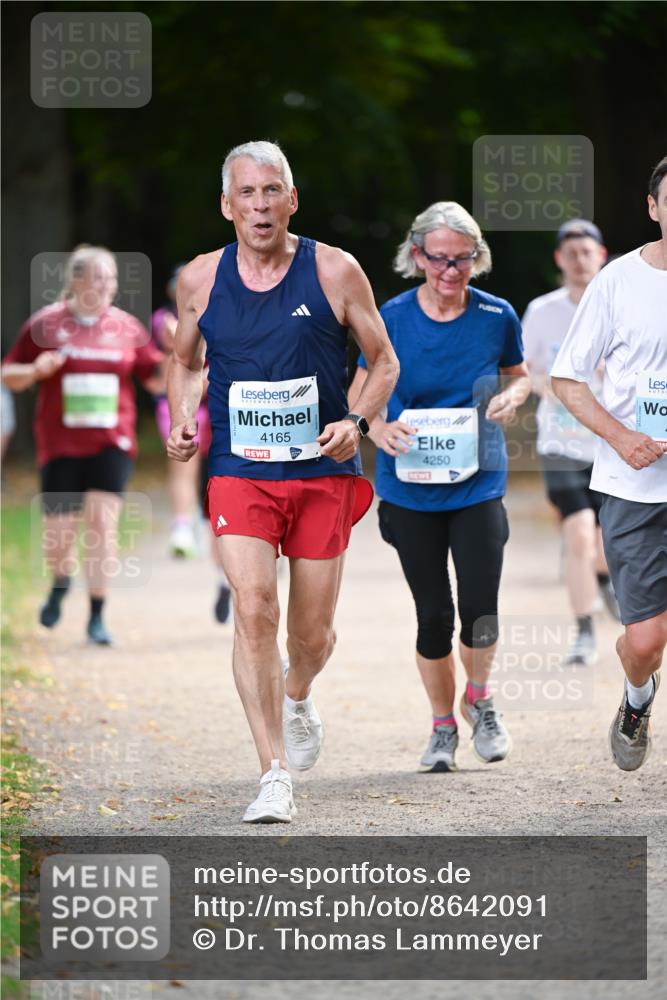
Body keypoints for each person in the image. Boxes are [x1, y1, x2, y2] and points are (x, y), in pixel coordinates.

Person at [167, 140, 398, 822]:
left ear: (291, 199)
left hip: (322, 472)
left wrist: (354, 420)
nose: (260, 205)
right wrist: (184, 416)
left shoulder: (333, 270)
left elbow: (383, 361)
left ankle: (297, 692)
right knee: (255, 606)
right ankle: (271, 771)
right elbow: (183, 362)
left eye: (272, 191)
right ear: (226, 205)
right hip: (239, 472)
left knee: (312, 633)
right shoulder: (201, 280)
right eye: (247, 193)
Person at [349, 201, 530, 774]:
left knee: (480, 609)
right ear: (416, 255)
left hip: (478, 484)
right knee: (434, 616)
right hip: (409, 490)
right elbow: (360, 386)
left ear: (477, 258)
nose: (451, 271)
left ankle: (479, 698)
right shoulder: (393, 317)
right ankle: (441, 726)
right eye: (440, 259)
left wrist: (511, 398)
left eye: (464, 259)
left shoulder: (497, 315)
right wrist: (376, 427)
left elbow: (521, 377)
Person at [552, 155, 667, 771]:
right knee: (645, 641)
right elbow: (567, 379)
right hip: (634, 484)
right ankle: (636, 696)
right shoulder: (618, 281)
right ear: (654, 208)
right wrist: (622, 437)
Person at [1, 244, 163, 645]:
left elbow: (154, 379)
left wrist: (187, 362)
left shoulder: (126, 328)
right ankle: (60, 582)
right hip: (60, 444)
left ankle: (97, 616)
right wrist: (36, 369)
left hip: (112, 441)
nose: (107, 286)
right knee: (59, 535)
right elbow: (9, 376)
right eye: (98, 277)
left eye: (111, 278)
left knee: (102, 525)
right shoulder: (46, 326)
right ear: (75, 281)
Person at [523, 219, 620, 667]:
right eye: (572, 253)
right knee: (579, 534)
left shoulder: (623, 305)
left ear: (601, 255)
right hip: (561, 443)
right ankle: (583, 632)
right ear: (560, 260)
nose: (581, 260)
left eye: (588, 252)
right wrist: (565, 385)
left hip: (613, 444)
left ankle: (604, 581)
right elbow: (521, 374)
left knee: (609, 540)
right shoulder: (543, 311)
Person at [152, 265, 231, 622]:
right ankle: (185, 528)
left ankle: (226, 581)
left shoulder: (229, 312)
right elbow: (176, 363)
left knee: (226, 501)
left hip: (231, 423)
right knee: (207, 492)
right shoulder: (163, 320)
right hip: (192, 413)